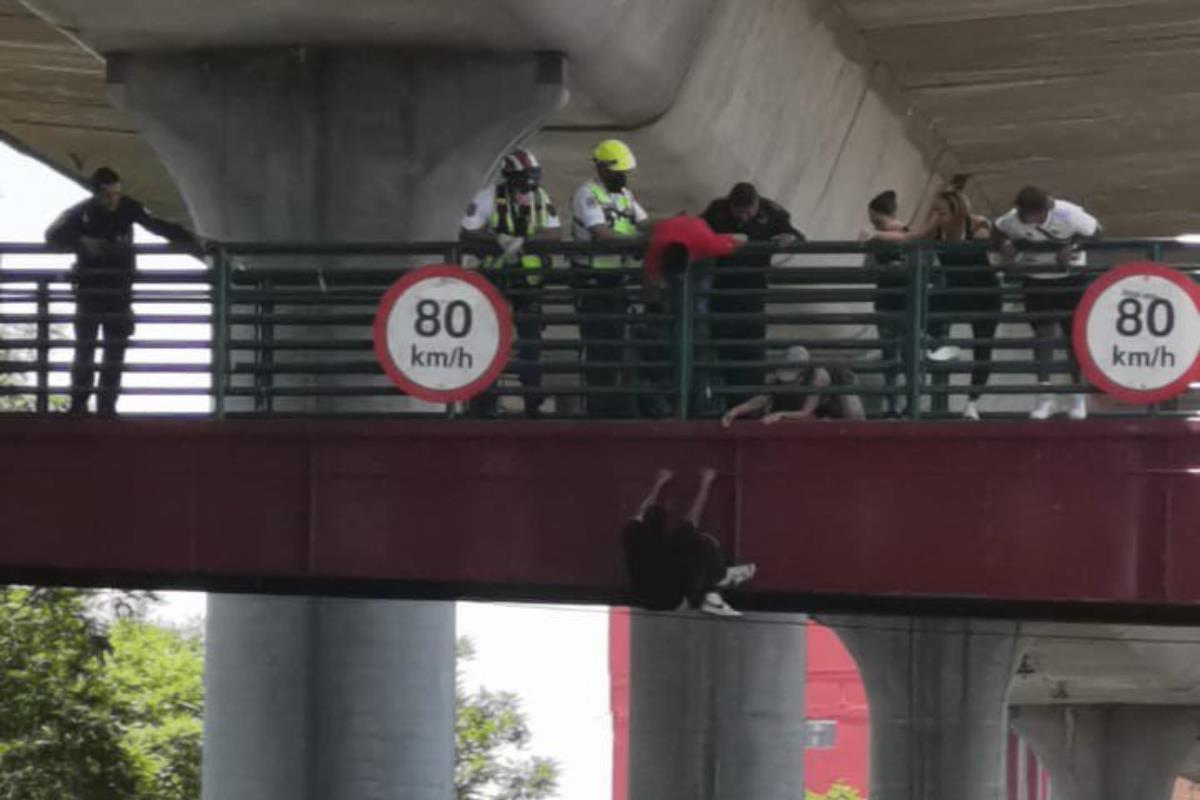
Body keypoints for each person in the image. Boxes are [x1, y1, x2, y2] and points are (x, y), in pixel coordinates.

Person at [45, 166, 204, 416]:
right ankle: (78, 405)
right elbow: (52, 235)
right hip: (91, 290)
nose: (113, 200)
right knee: (85, 349)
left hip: (118, 291)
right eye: (108, 195)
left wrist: (195, 240)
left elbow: (157, 225)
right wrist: (82, 241)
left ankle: (107, 406)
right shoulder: (82, 212)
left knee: (114, 351)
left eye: (116, 194)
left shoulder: (128, 207)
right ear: (96, 194)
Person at [460, 148, 562, 417]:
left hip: (528, 281)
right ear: (509, 177)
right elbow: (467, 231)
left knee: (531, 342)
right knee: (489, 339)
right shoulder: (488, 196)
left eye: (533, 177)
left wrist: (525, 243)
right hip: (494, 277)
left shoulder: (540, 198)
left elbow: (554, 233)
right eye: (523, 178)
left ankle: (532, 402)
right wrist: (499, 240)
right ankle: (486, 403)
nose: (529, 184)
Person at [993, 185, 1100, 420]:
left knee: (1073, 338)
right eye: (1024, 214)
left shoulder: (1067, 213)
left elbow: (1095, 231)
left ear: (1044, 210)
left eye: (1034, 214)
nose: (1029, 219)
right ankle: (1044, 396)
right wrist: (1005, 245)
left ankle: (1077, 396)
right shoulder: (1012, 220)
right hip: (1036, 280)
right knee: (1043, 337)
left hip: (1071, 279)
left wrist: (1072, 247)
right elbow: (997, 229)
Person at [701, 183, 805, 405]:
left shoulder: (771, 212)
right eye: (740, 212)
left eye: (750, 210)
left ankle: (751, 406)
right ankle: (725, 403)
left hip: (753, 294)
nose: (746, 216)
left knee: (752, 352)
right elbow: (698, 231)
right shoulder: (717, 211)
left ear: (757, 202)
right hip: (722, 292)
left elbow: (796, 235)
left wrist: (789, 239)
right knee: (723, 351)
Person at [571, 139, 651, 418]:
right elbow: (602, 234)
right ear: (603, 169)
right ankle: (597, 407)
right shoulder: (587, 194)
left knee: (618, 344)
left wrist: (674, 226)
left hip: (617, 280)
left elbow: (645, 224)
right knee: (598, 347)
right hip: (592, 282)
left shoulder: (625, 195)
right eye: (619, 172)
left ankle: (615, 405)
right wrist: (637, 243)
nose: (623, 177)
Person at [622, 468, 755, 617]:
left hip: (649, 599)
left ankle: (709, 587)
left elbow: (641, 511)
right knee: (705, 542)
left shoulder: (632, 534)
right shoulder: (673, 542)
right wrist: (706, 482)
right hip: (670, 600)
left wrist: (659, 484)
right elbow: (693, 516)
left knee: (685, 551)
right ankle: (718, 580)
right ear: (665, 525)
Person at [925, 177, 999, 421]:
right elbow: (911, 238)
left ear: (955, 211)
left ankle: (971, 403)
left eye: (940, 211)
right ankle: (942, 343)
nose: (936, 215)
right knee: (929, 304)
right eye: (935, 211)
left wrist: (984, 235)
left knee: (983, 347)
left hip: (985, 294)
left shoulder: (975, 224)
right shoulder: (937, 229)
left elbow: (989, 241)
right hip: (957, 291)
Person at [721, 345, 866, 425]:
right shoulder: (777, 376)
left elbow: (806, 412)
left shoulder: (818, 375)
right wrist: (735, 411)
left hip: (841, 382)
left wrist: (780, 415)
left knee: (854, 418)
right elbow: (762, 398)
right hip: (818, 400)